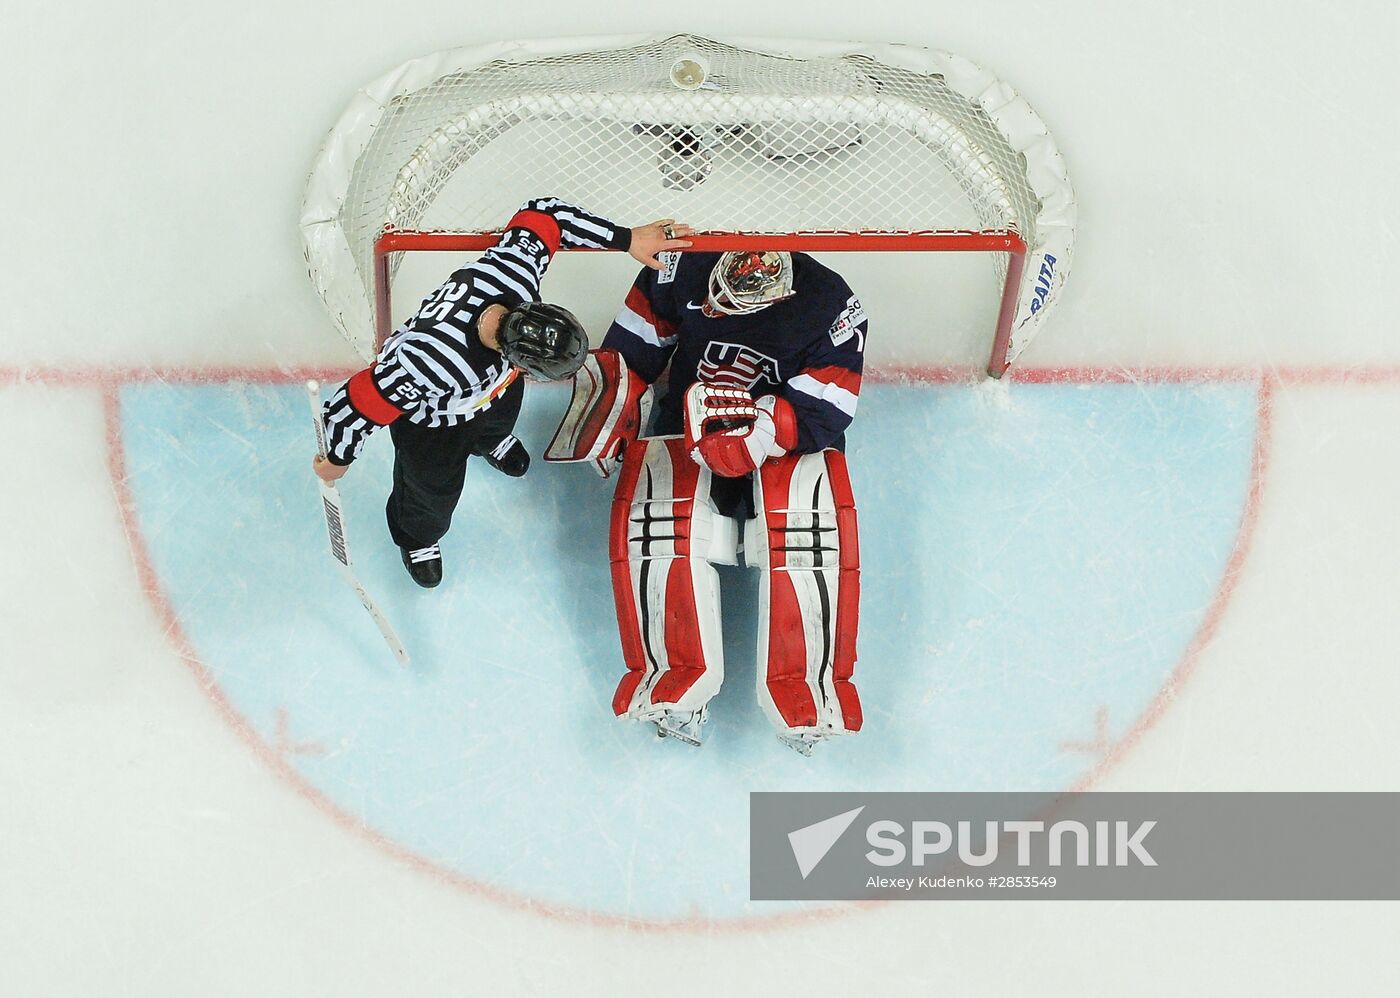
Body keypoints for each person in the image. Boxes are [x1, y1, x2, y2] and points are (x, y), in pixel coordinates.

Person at [546, 246, 867, 754]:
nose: (713, 308)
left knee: (809, 536)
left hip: (784, 436)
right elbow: (633, 347)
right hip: (688, 424)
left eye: (728, 306)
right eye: (711, 299)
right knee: (656, 526)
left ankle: (809, 690)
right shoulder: (684, 264)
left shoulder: (831, 304)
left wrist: (764, 431)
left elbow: (829, 404)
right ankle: (673, 680)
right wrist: (614, 411)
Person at [313, 197, 693, 587]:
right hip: (436, 424)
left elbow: (546, 214)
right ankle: (417, 537)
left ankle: (489, 440)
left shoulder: (514, 274)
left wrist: (627, 238)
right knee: (432, 491)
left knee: (500, 415)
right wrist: (338, 457)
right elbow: (356, 404)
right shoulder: (430, 363)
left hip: (493, 389)